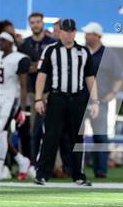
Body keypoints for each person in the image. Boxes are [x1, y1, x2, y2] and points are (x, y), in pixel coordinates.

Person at [34, 19, 99, 186]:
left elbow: (90, 78)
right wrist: (38, 98)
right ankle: (42, 174)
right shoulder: (50, 51)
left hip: (77, 99)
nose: (69, 33)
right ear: (59, 32)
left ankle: (78, 175)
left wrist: (95, 101)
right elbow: (42, 75)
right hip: (57, 98)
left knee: (77, 138)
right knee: (50, 136)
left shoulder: (84, 51)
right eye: (65, 30)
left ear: (74, 32)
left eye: (71, 31)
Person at [82, 22, 123, 178]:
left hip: (100, 101)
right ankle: (73, 169)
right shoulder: (81, 51)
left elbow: (120, 76)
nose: (85, 36)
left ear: (97, 36)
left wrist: (113, 92)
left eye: (89, 33)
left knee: (100, 136)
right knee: (75, 135)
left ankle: (100, 171)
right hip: (80, 100)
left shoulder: (109, 54)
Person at [19, 12, 56, 161]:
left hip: (49, 91)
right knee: (32, 130)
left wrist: (37, 66)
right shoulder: (25, 44)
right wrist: (40, 66)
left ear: (42, 23)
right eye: (32, 22)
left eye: (38, 22)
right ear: (29, 24)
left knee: (53, 130)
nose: (35, 25)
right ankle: (31, 163)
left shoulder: (52, 42)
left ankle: (55, 165)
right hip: (31, 92)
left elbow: (53, 66)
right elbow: (23, 67)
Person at [0, 32, 31, 180]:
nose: (0, 43)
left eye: (3, 41)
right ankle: (21, 161)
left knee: (1, 132)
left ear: (11, 42)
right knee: (1, 134)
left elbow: (23, 86)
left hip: (10, 100)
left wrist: (23, 109)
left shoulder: (19, 58)